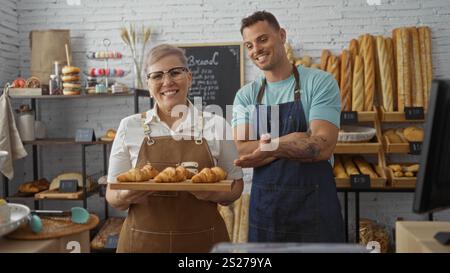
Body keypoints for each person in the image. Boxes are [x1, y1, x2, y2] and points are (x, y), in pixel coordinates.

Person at [106, 44, 244, 252]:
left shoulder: (216, 125)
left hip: (203, 244)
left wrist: (211, 194)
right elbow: (112, 193)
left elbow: (236, 186)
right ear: (148, 83)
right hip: (141, 244)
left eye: (175, 72)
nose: (167, 82)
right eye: (157, 75)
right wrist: (125, 195)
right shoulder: (129, 126)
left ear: (189, 77)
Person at [232, 11, 345, 242]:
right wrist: (288, 140)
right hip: (266, 212)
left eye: (263, 39)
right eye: (249, 45)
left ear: (281, 36)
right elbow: (241, 150)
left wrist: (270, 148)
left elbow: (322, 146)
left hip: (314, 209)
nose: (256, 50)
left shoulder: (319, 82)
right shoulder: (246, 95)